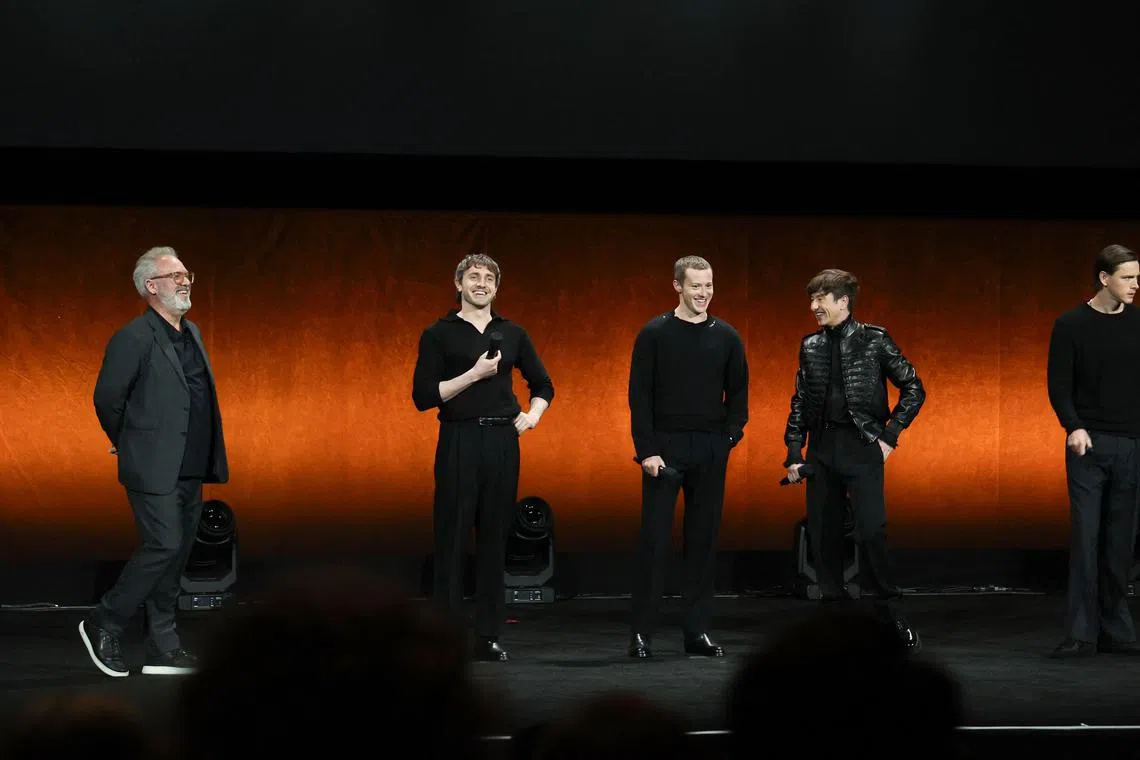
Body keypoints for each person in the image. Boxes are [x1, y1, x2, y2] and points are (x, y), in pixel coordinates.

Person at [84, 246, 229, 677]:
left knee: (177, 553)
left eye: (187, 275)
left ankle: (162, 647)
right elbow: (107, 400)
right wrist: (129, 441)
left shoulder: (192, 332)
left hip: (192, 464)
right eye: (175, 276)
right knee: (163, 544)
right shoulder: (133, 337)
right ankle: (104, 621)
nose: (185, 282)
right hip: (152, 465)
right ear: (152, 286)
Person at [412, 252, 554, 662]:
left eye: (489, 278)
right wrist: (474, 374)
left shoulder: (513, 333)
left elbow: (543, 384)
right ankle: (445, 637)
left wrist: (532, 416)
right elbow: (423, 396)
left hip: (501, 442)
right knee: (452, 538)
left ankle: (488, 635)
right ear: (459, 284)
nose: (482, 284)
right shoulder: (438, 333)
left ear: (496, 287)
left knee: (494, 540)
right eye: (474, 277)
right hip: (459, 439)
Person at [783, 268, 924, 651]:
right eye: (812, 299)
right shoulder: (810, 345)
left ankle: (890, 617)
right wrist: (794, 451)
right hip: (822, 449)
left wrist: (889, 436)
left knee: (870, 531)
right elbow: (800, 400)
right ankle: (836, 622)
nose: (814, 306)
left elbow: (913, 387)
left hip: (861, 447)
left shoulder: (874, 339)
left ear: (843, 301)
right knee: (823, 535)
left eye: (821, 299)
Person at [627, 255, 748, 659]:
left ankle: (697, 632)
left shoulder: (727, 337)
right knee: (654, 543)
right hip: (664, 450)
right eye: (696, 285)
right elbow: (639, 397)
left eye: (709, 285)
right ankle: (642, 634)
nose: (704, 293)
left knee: (702, 543)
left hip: (710, 448)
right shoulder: (654, 333)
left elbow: (739, 397)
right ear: (677, 286)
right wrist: (647, 450)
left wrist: (727, 439)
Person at [1046, 243, 1140, 658]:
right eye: (1127, 278)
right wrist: (1074, 426)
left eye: (1137, 278)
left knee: (1120, 543)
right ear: (1104, 278)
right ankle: (1081, 634)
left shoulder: (1137, 324)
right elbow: (1059, 385)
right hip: (1089, 446)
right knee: (1086, 539)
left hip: (1132, 445)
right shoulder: (1071, 325)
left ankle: (1116, 630)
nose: (1135, 285)